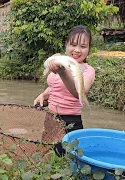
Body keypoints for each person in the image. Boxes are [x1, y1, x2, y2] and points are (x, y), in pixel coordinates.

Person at [33, 25, 95, 154]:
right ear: (66, 44)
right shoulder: (59, 62)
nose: (77, 50)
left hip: (70, 122)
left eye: (83, 46)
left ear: (88, 50)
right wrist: (43, 95)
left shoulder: (87, 70)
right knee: (48, 157)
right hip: (50, 118)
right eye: (73, 44)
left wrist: (63, 72)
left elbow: (79, 92)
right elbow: (55, 86)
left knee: (66, 162)